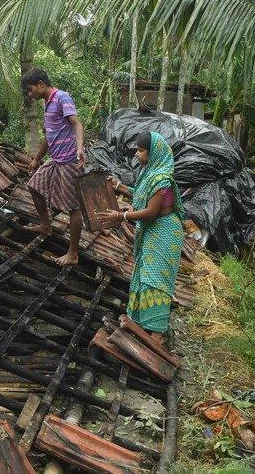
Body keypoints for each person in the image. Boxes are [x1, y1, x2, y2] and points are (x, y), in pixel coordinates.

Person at [97, 131, 184, 344]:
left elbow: (151, 212)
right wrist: (118, 186)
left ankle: (156, 333)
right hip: (152, 232)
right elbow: (140, 194)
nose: (137, 154)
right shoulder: (148, 172)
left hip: (164, 233)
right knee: (145, 278)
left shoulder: (162, 179)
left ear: (153, 153)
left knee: (156, 282)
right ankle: (146, 325)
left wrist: (120, 215)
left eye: (141, 150)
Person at [21, 68, 86, 266]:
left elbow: (77, 124)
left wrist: (80, 149)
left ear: (41, 83)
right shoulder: (46, 103)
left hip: (70, 161)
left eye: (31, 89)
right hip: (56, 160)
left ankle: (72, 254)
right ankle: (45, 225)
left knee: (74, 208)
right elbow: (49, 136)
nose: (30, 94)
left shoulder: (62, 98)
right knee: (34, 186)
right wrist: (36, 159)